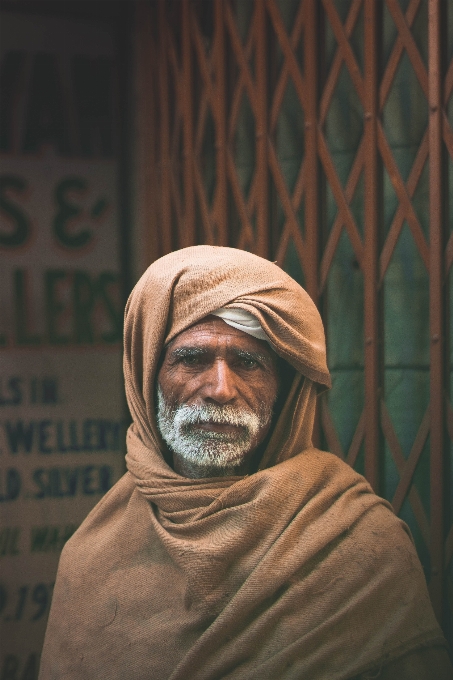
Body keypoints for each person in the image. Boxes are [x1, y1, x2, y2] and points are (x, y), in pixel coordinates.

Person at [39, 246, 452, 680]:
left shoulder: (358, 542)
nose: (220, 388)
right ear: (147, 373)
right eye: (192, 359)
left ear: (284, 388)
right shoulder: (93, 557)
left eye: (248, 363)